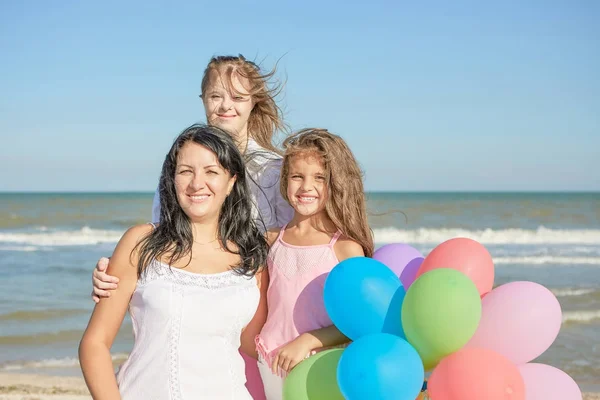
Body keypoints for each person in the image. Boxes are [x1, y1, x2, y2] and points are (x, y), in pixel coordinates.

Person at [90, 55, 294, 399]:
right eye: (216, 96)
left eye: (238, 97)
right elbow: (162, 242)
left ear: (253, 103)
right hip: (195, 321)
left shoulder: (274, 171)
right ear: (203, 100)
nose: (225, 105)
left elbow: (291, 243)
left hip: (250, 309)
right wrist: (117, 276)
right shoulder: (183, 163)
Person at [79, 124, 269, 399]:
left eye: (211, 171)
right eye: (185, 171)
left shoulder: (252, 256)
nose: (196, 184)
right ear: (172, 179)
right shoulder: (140, 243)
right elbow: (94, 344)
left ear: (231, 183)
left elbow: (255, 344)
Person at [255, 128, 374, 399]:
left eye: (319, 178)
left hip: (318, 364)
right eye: (297, 176)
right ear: (286, 180)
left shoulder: (345, 248)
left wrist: (308, 340)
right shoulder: (271, 240)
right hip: (270, 361)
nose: (306, 186)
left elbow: (358, 322)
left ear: (336, 184)